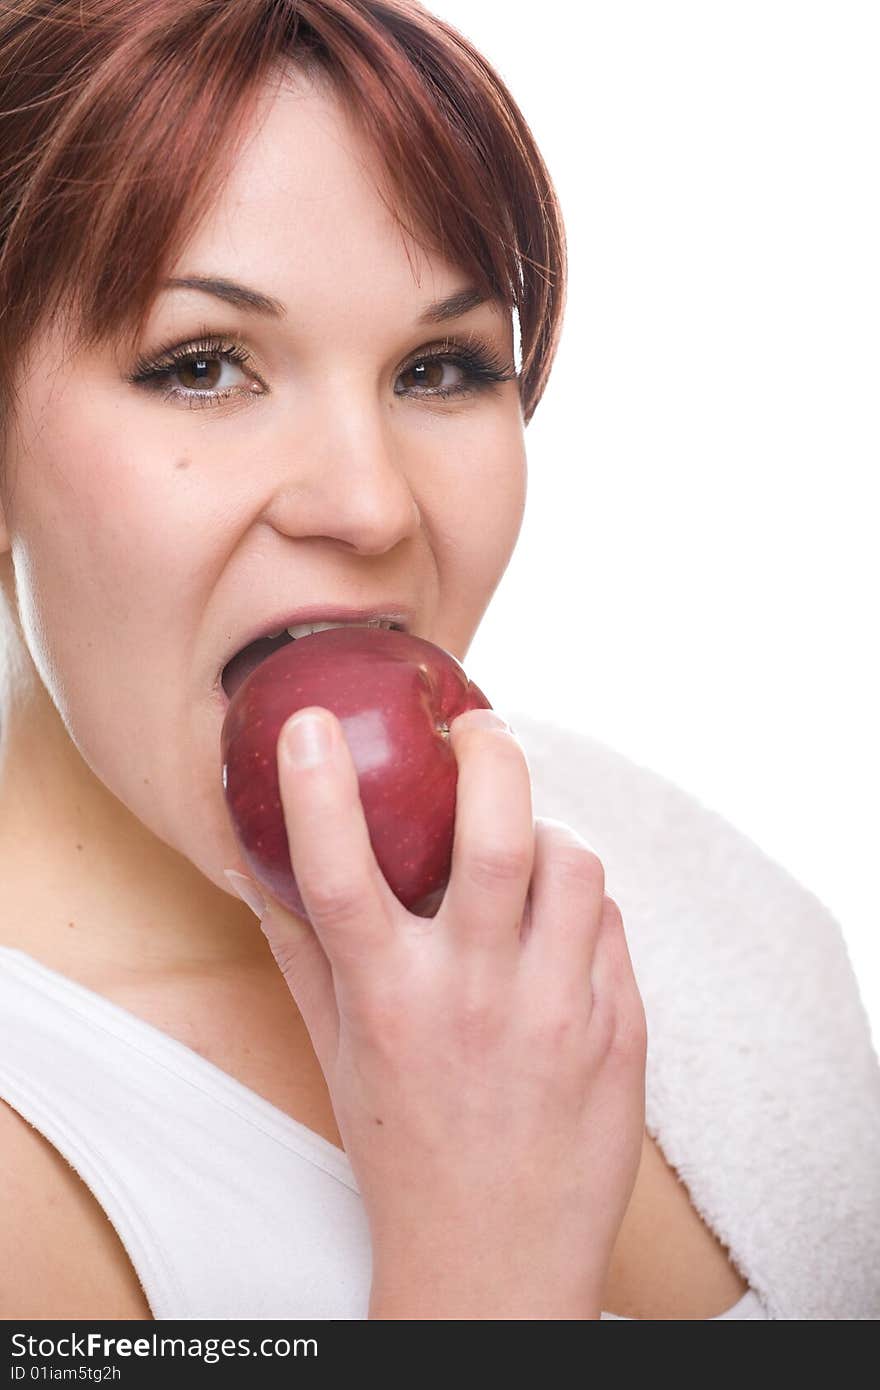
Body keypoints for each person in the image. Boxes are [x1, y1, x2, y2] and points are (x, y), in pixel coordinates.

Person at [1, 0, 876, 1322]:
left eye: (441, 366)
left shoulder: (679, 881)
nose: (369, 504)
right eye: (201, 364)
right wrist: (485, 1277)